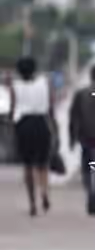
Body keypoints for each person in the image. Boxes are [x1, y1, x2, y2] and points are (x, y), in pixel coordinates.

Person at [7, 57, 54, 217]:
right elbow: (51, 106)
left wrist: (13, 125)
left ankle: (32, 202)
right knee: (43, 164)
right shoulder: (45, 82)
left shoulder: (15, 86)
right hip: (41, 123)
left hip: (24, 125)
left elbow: (13, 109)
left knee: (28, 165)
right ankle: (44, 192)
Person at [69, 65, 95, 215]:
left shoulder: (81, 93)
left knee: (87, 170)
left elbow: (73, 117)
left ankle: (90, 196)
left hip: (87, 138)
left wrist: (72, 138)